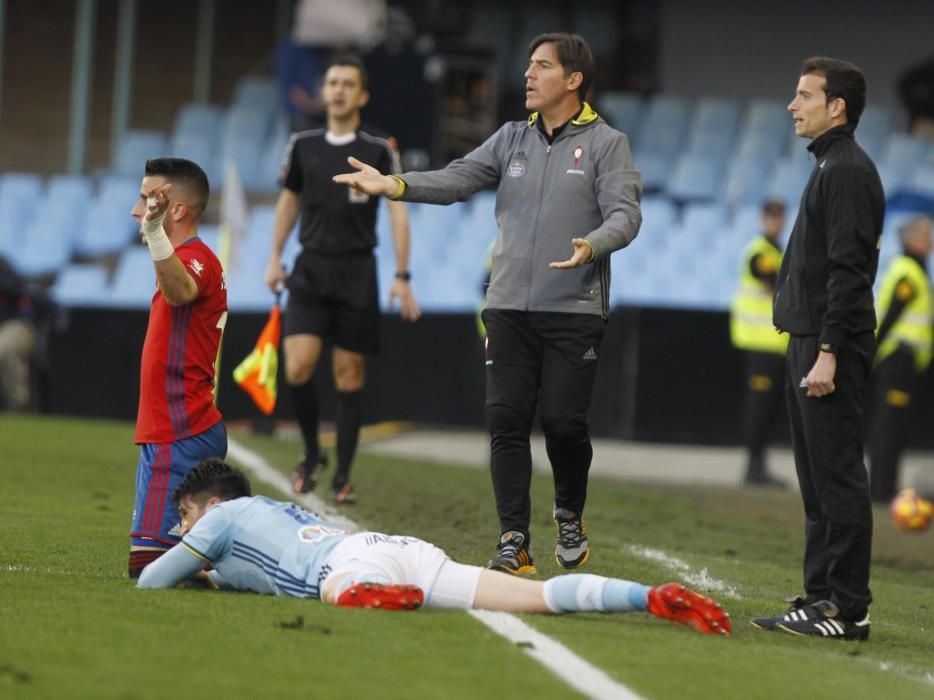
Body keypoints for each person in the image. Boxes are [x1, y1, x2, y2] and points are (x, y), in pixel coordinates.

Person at [333, 33, 641, 576]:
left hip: (574, 308)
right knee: (505, 419)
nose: (527, 75)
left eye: (542, 66)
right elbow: (456, 179)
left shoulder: (606, 144)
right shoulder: (509, 139)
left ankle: (569, 511)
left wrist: (592, 244)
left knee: (564, 425)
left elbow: (626, 215)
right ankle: (513, 540)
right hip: (505, 306)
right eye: (528, 65)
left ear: (573, 80)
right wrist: (395, 184)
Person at [137, 458, 731, 636]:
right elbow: (240, 574)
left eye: (184, 517)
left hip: (347, 564)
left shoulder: (221, 519)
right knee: (539, 597)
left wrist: (186, 563)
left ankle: (372, 598)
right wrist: (210, 576)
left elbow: (150, 581)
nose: (183, 530)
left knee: (335, 587)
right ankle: (650, 597)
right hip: (399, 547)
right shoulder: (260, 517)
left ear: (209, 508)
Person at [751, 57, 884, 641]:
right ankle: (821, 594)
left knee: (837, 477)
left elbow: (848, 272)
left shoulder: (847, 170)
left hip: (830, 344)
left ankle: (846, 608)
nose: (792, 104)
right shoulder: (829, 163)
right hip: (808, 340)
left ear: (837, 107)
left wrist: (828, 349)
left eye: (804, 94)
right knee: (815, 482)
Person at [264, 56, 420, 506]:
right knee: (297, 366)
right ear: (324, 90)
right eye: (332, 82)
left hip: (357, 270)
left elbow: (398, 210)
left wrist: (402, 275)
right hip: (310, 267)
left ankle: (344, 476)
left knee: (350, 374)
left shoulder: (378, 147)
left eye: (348, 83)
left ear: (362, 95)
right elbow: (288, 203)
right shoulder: (302, 143)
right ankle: (313, 453)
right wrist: (274, 257)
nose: (338, 90)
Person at [127, 158, 229, 578]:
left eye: (146, 198)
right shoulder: (182, 258)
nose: (137, 209)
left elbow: (180, 291)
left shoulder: (198, 259)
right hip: (169, 429)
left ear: (177, 209)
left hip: (180, 430)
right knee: (156, 560)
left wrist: (153, 232)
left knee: (148, 567)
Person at [868, 215, 933, 503]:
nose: (930, 241)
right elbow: (892, 316)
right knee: (889, 424)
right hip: (898, 359)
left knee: (893, 424)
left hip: (903, 361)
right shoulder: (908, 272)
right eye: (925, 235)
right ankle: (881, 490)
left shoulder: (915, 271)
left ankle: (883, 487)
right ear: (910, 240)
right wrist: (873, 352)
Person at [729, 199, 789, 487]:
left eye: (780, 217)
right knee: (759, 407)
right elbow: (771, 280)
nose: (776, 222)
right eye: (772, 216)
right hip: (759, 343)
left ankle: (759, 466)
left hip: (775, 344)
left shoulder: (779, 251)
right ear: (763, 219)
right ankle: (753, 468)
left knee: (768, 408)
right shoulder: (760, 253)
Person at [0, 255, 37, 410]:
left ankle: (18, 405)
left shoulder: (4, 268)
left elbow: (14, 287)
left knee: (3, 349)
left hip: (15, 325)